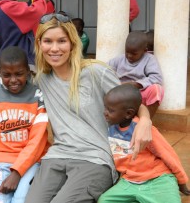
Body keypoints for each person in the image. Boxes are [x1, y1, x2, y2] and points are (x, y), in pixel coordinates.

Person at [18, 13, 151, 203]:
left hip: (95, 158)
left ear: (72, 43)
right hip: (57, 156)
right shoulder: (41, 79)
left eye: (61, 41)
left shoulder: (96, 72)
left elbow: (133, 103)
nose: (54, 48)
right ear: (39, 44)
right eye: (47, 41)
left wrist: (145, 120)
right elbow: (12, 89)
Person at [0, 46, 50, 203]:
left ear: (28, 71)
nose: (13, 80)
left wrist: (17, 172)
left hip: (32, 160)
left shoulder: (37, 95)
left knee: (20, 200)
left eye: (19, 74)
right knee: (0, 199)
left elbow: (37, 140)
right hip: (2, 159)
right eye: (6, 75)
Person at [99, 84, 190, 203]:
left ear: (128, 113)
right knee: (104, 200)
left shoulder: (144, 130)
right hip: (129, 182)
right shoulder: (111, 128)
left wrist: (181, 181)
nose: (105, 113)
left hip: (158, 179)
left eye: (110, 110)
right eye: (105, 108)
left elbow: (168, 154)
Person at [0, 0, 49, 75]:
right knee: (29, 85)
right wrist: (41, 0)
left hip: (5, 58)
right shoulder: (10, 8)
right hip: (21, 59)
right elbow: (37, 12)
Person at [108, 31, 164, 118]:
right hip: (121, 94)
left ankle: (146, 120)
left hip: (139, 92)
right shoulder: (119, 59)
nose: (129, 56)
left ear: (145, 51)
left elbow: (156, 77)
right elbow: (105, 70)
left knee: (156, 89)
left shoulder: (149, 59)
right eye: (127, 52)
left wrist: (136, 84)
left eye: (134, 53)